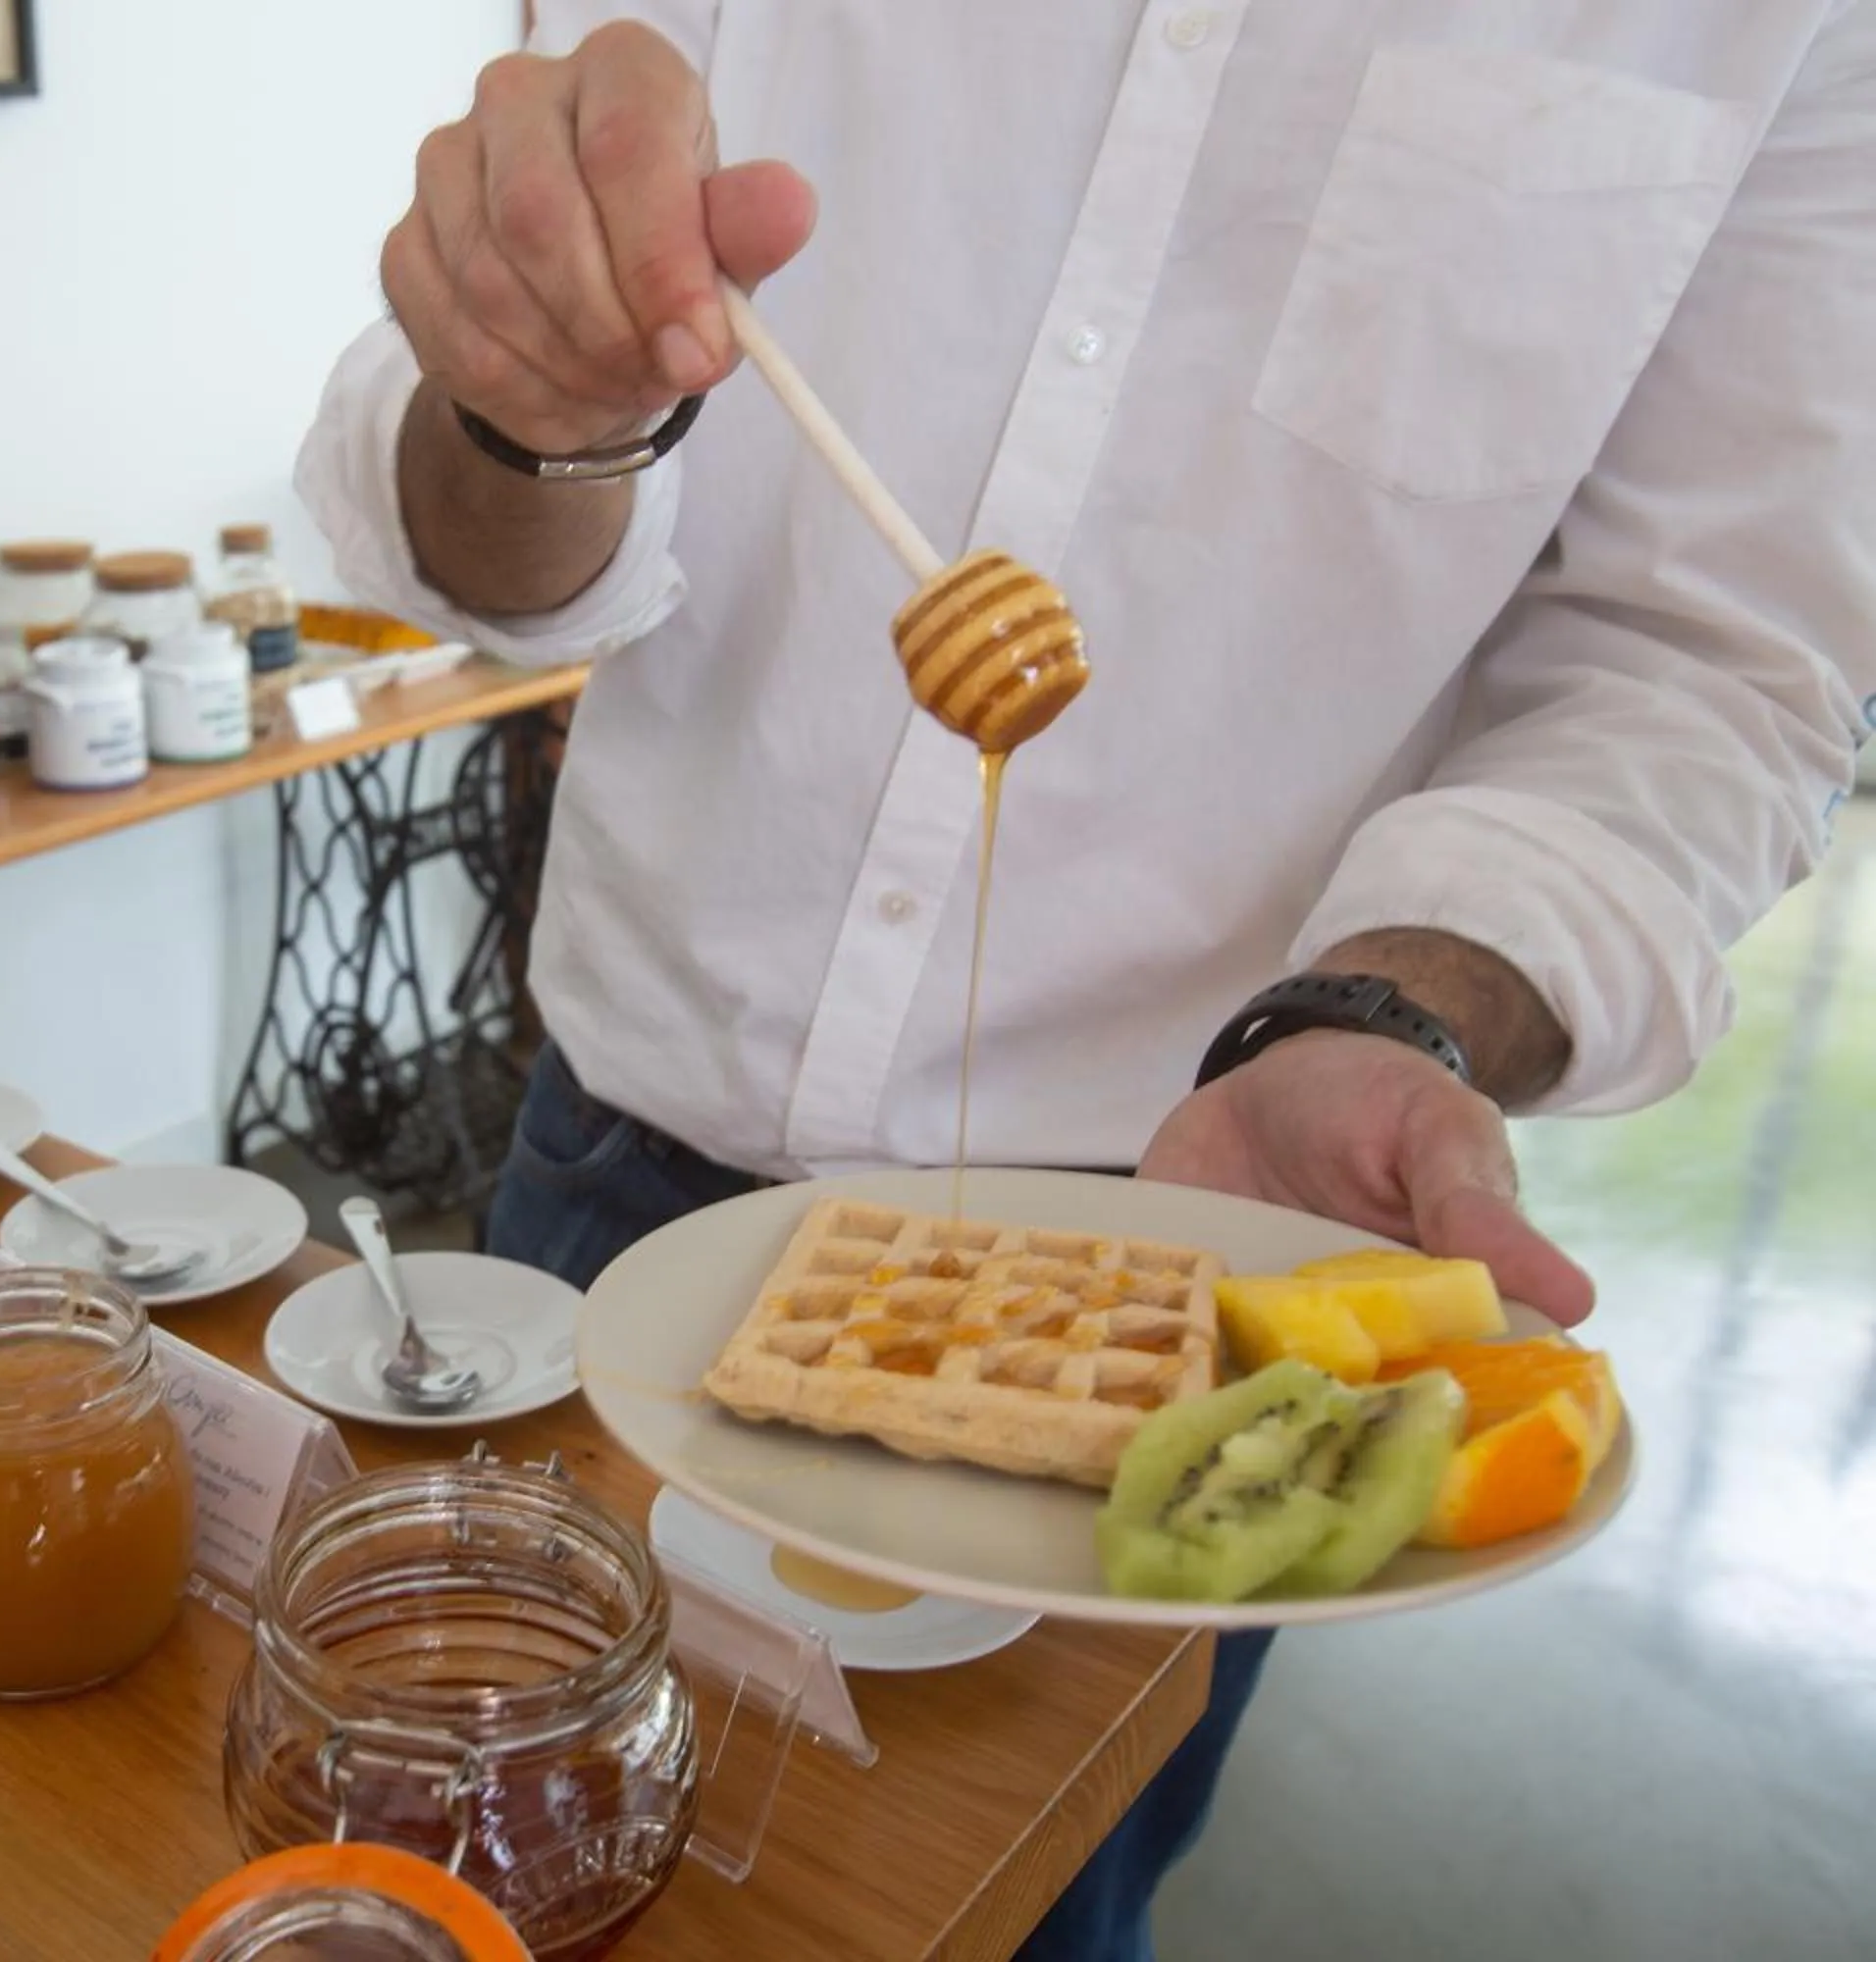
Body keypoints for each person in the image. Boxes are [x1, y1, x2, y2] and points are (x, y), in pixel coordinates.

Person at [296, 8, 1875, 1958]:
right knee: (475, 1853)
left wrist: (1382, 1006)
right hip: (608, 1187)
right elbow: (497, 528)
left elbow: (1714, 653)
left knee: (1004, 1925)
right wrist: (531, 401)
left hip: (1204, 1240)